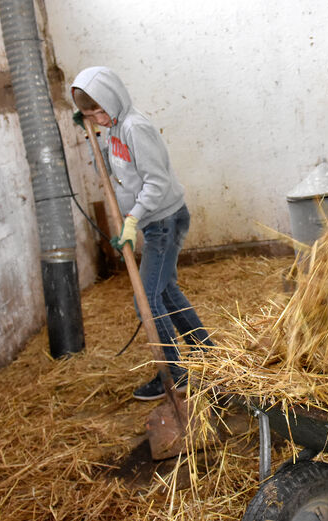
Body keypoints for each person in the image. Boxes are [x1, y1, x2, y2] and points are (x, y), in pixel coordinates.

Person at [71, 66, 214, 401]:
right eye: (91, 115)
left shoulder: (136, 127)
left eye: (101, 111)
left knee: (146, 300)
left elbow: (157, 182)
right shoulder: (114, 129)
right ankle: (207, 351)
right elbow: (111, 173)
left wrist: (131, 220)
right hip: (153, 221)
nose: (100, 119)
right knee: (164, 291)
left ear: (114, 98)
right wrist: (96, 140)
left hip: (165, 221)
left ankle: (175, 375)